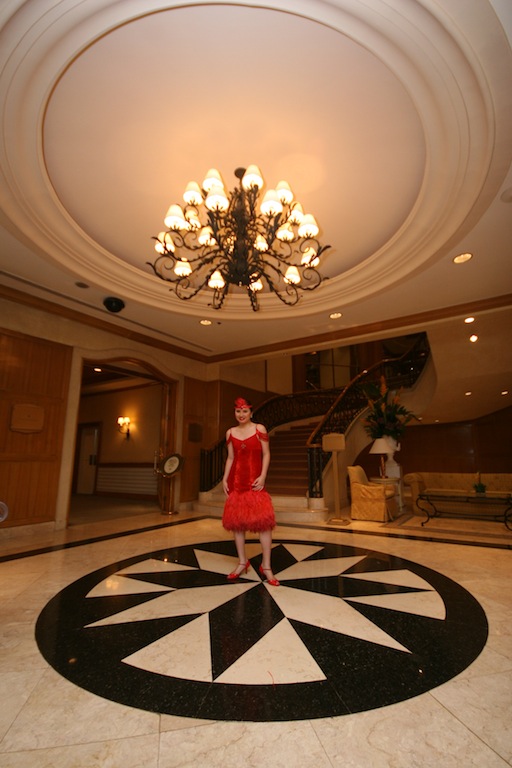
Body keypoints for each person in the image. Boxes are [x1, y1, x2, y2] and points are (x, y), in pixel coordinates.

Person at [222, 397, 279, 586]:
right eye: (238, 411)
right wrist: (225, 478)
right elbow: (231, 458)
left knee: (264, 524)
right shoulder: (230, 432)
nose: (241, 414)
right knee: (237, 525)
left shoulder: (259, 429)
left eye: (245, 411)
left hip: (256, 483)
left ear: (251, 413)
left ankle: (266, 566)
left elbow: (266, 454)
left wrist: (263, 476)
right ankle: (242, 562)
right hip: (237, 483)